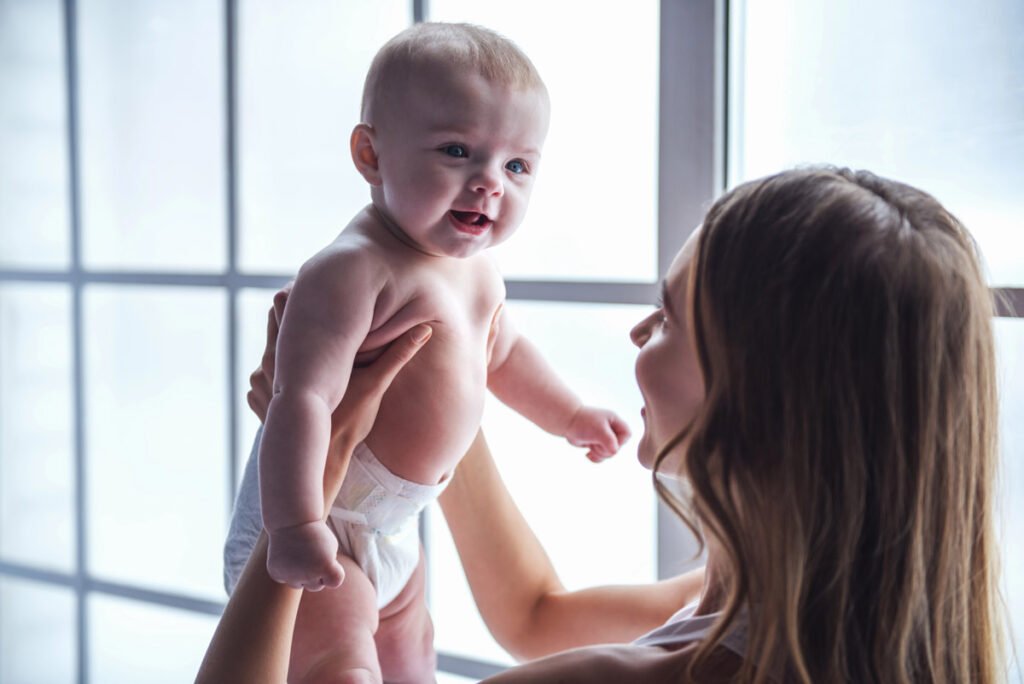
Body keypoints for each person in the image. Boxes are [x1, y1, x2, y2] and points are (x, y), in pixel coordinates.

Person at [203, 167, 1004, 683]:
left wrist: (318, 461)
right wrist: (431, 379)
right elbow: (534, 614)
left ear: (757, 393)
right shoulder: (806, 617)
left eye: (668, 318)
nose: (635, 335)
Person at [222, 22, 630, 683]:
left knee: (414, 658)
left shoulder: (476, 272)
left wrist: (570, 415)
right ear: (371, 155)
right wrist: (294, 527)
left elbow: (505, 352)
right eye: (457, 150)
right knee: (339, 664)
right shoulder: (354, 270)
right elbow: (299, 399)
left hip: (392, 525)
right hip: (323, 515)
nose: (490, 182)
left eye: (517, 165)